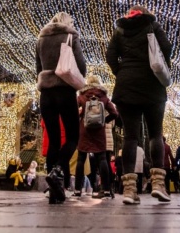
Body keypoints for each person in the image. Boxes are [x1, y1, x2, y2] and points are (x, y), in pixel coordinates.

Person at [106, 5, 173, 205]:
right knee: (155, 134)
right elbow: (167, 48)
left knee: (130, 137)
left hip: (126, 87)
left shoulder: (119, 30)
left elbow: (110, 56)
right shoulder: (152, 25)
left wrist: (122, 71)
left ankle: (129, 189)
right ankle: (159, 185)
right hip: (152, 84)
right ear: (145, 14)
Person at [36, 11, 87, 204]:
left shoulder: (41, 38)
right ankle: (57, 170)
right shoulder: (70, 35)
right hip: (65, 91)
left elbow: (37, 68)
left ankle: (53, 189)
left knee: (54, 141)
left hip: (46, 95)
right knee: (73, 137)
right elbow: (81, 66)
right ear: (68, 23)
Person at [75, 74, 119, 199]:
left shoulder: (82, 96)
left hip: (84, 129)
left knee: (81, 159)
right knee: (102, 159)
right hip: (99, 131)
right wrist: (104, 120)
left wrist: (80, 118)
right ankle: (106, 190)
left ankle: (78, 189)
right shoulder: (104, 97)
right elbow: (115, 113)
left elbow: (72, 109)